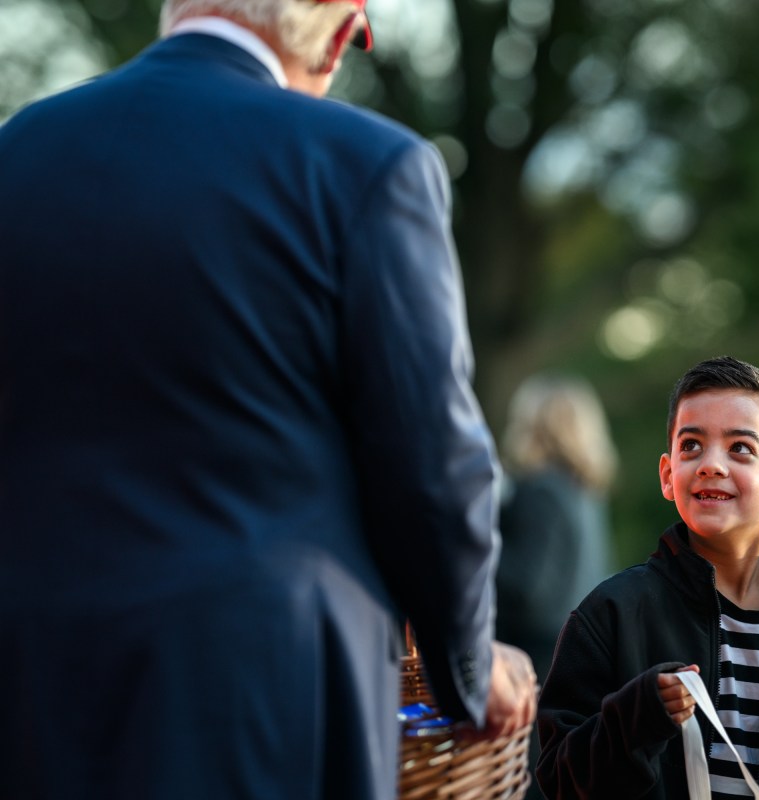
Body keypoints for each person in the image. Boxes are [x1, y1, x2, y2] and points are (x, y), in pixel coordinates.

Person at [0, 0, 536, 796]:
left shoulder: (17, 155)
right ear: (332, 24)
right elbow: (435, 467)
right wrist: (469, 661)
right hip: (259, 704)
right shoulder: (366, 164)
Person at [535, 356, 759, 800]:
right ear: (668, 475)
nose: (711, 464)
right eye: (691, 445)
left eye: (740, 448)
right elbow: (558, 781)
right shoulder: (612, 611)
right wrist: (635, 720)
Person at [495, 372, 618, 800]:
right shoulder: (582, 495)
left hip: (532, 671)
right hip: (576, 670)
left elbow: (526, 590)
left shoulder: (539, 491)